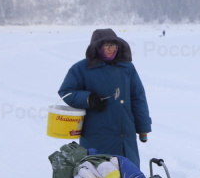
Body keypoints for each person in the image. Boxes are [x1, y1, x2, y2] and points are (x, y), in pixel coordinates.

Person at [58, 28, 152, 168]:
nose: (111, 49)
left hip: (125, 134)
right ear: (96, 47)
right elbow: (66, 91)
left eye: (114, 45)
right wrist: (88, 99)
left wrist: (143, 127)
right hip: (96, 134)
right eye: (106, 45)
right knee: (99, 177)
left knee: (128, 175)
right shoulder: (81, 68)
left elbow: (138, 97)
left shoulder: (127, 68)